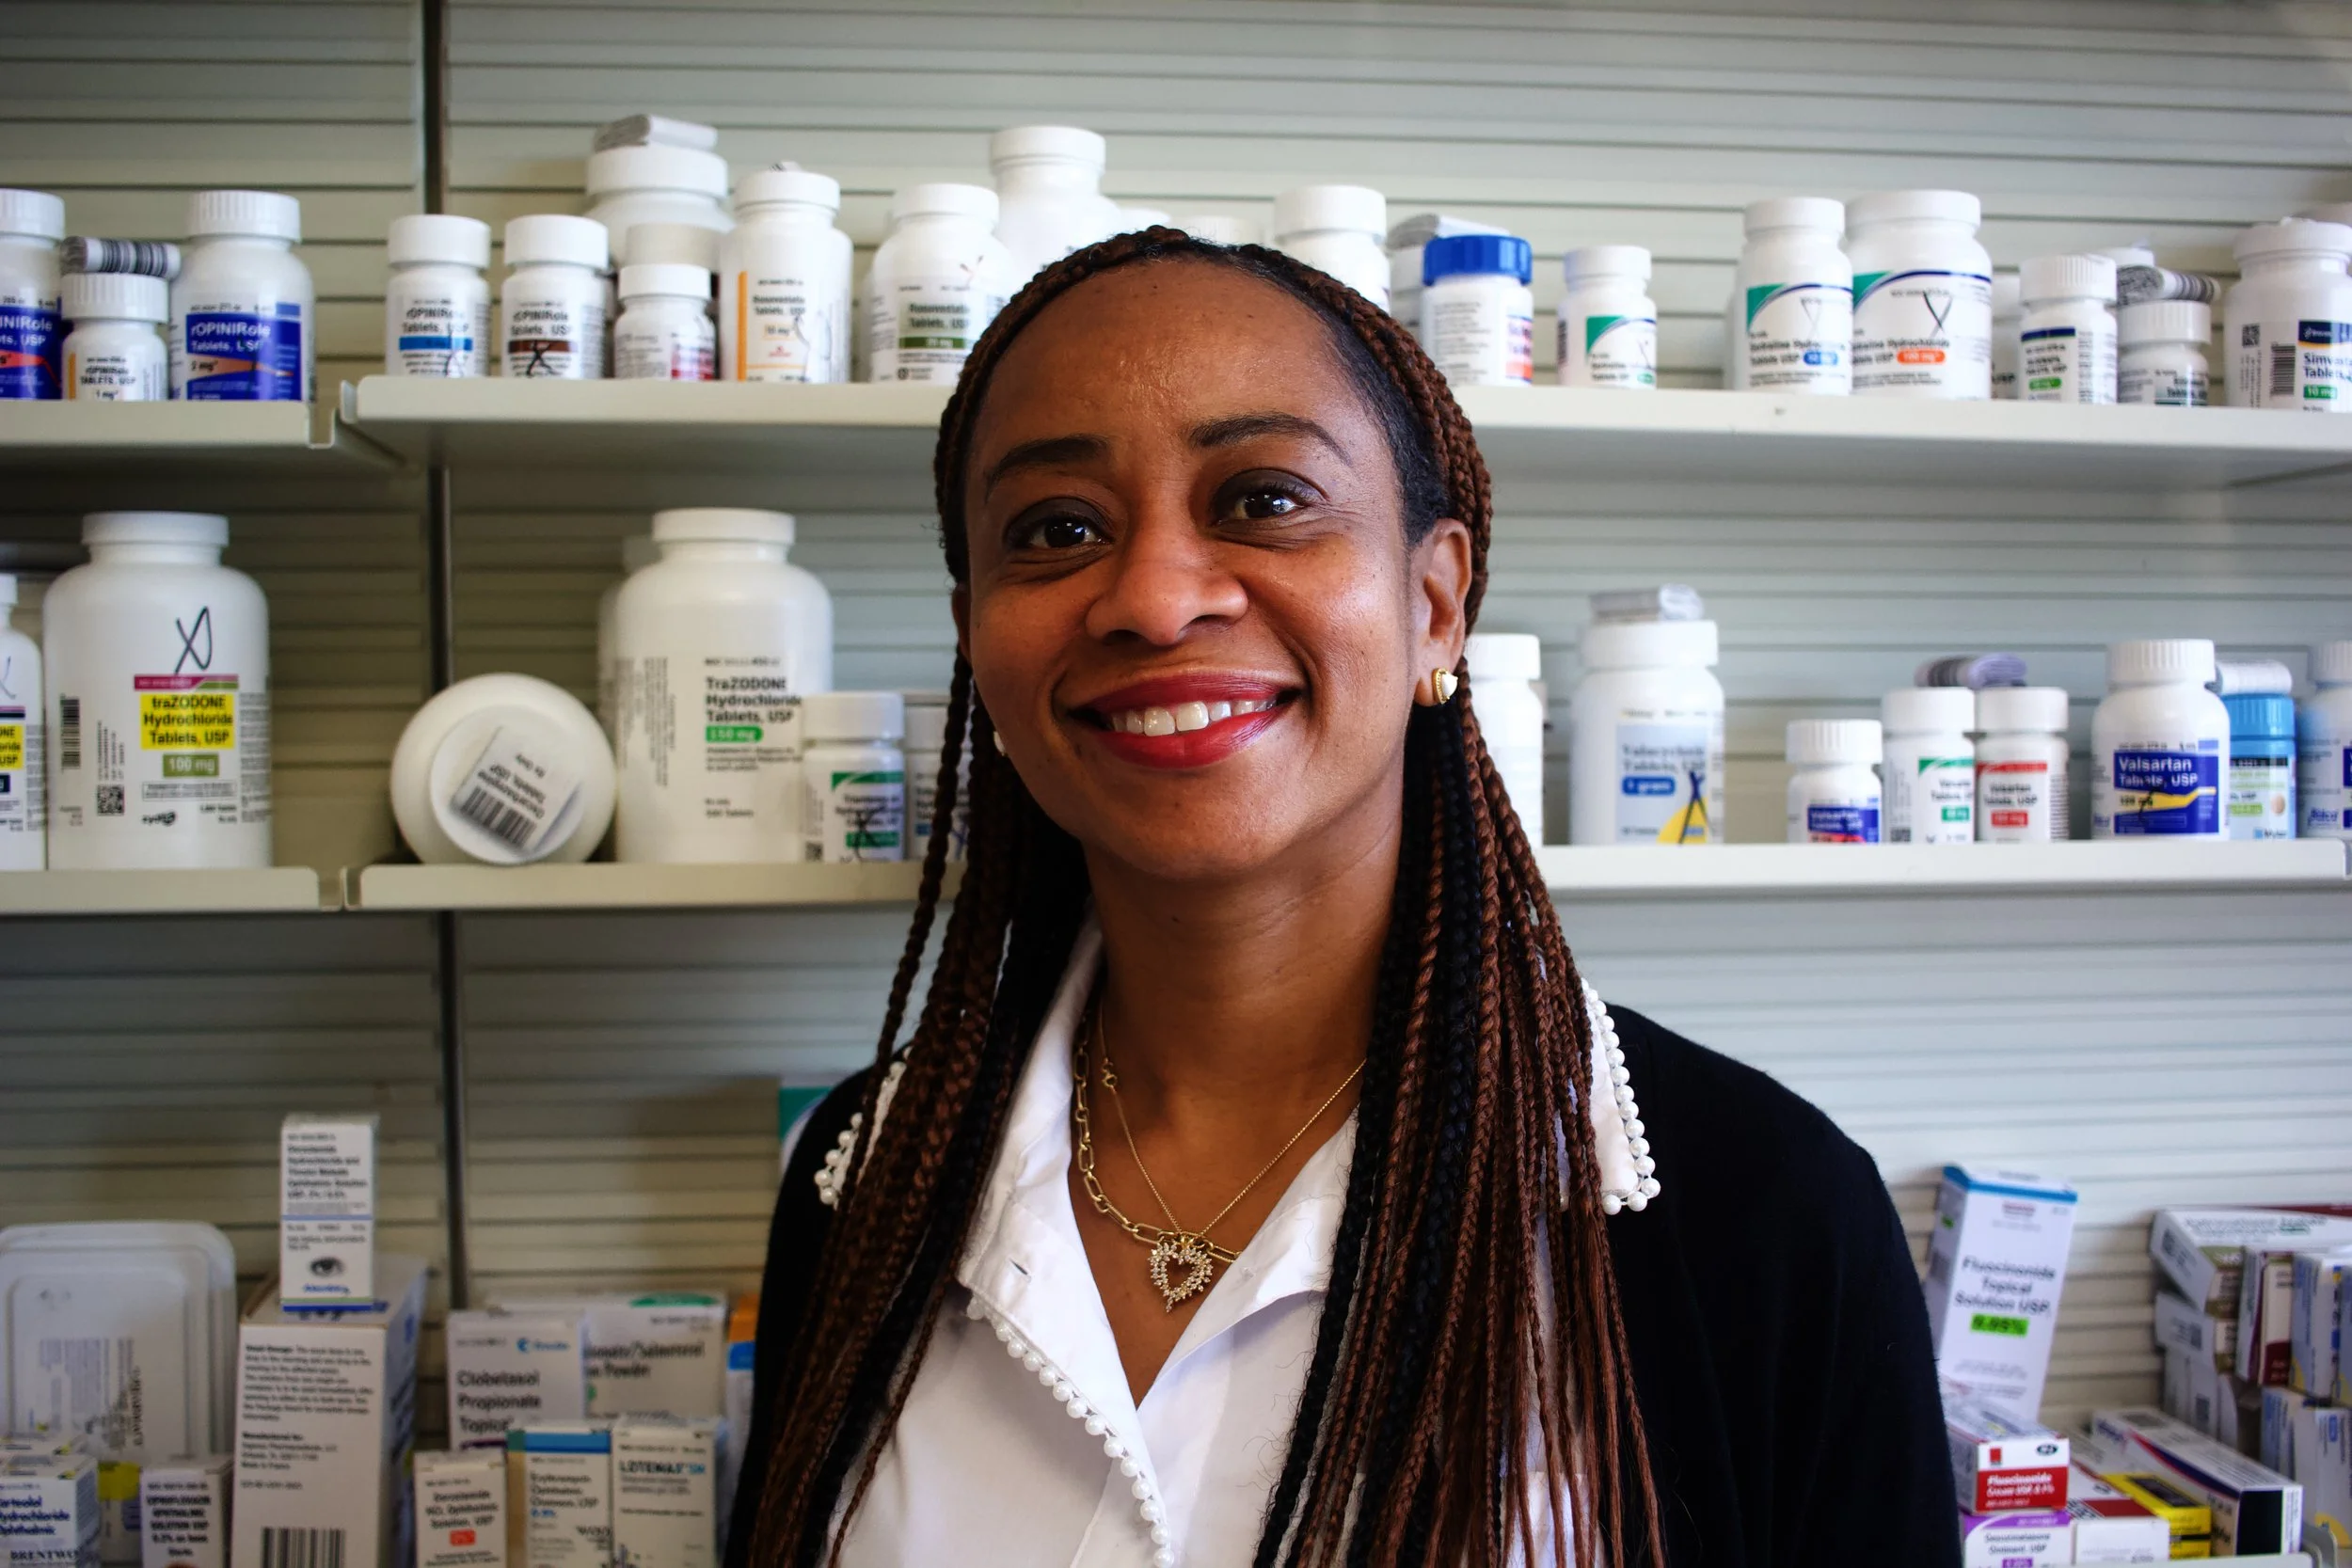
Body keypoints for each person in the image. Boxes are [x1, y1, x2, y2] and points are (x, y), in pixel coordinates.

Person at [728, 230, 1957, 1568]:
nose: (1151, 597)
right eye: (1059, 528)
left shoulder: (1767, 1217)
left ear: (1436, 603)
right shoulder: (867, 1178)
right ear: (978, 632)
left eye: (1263, 499)